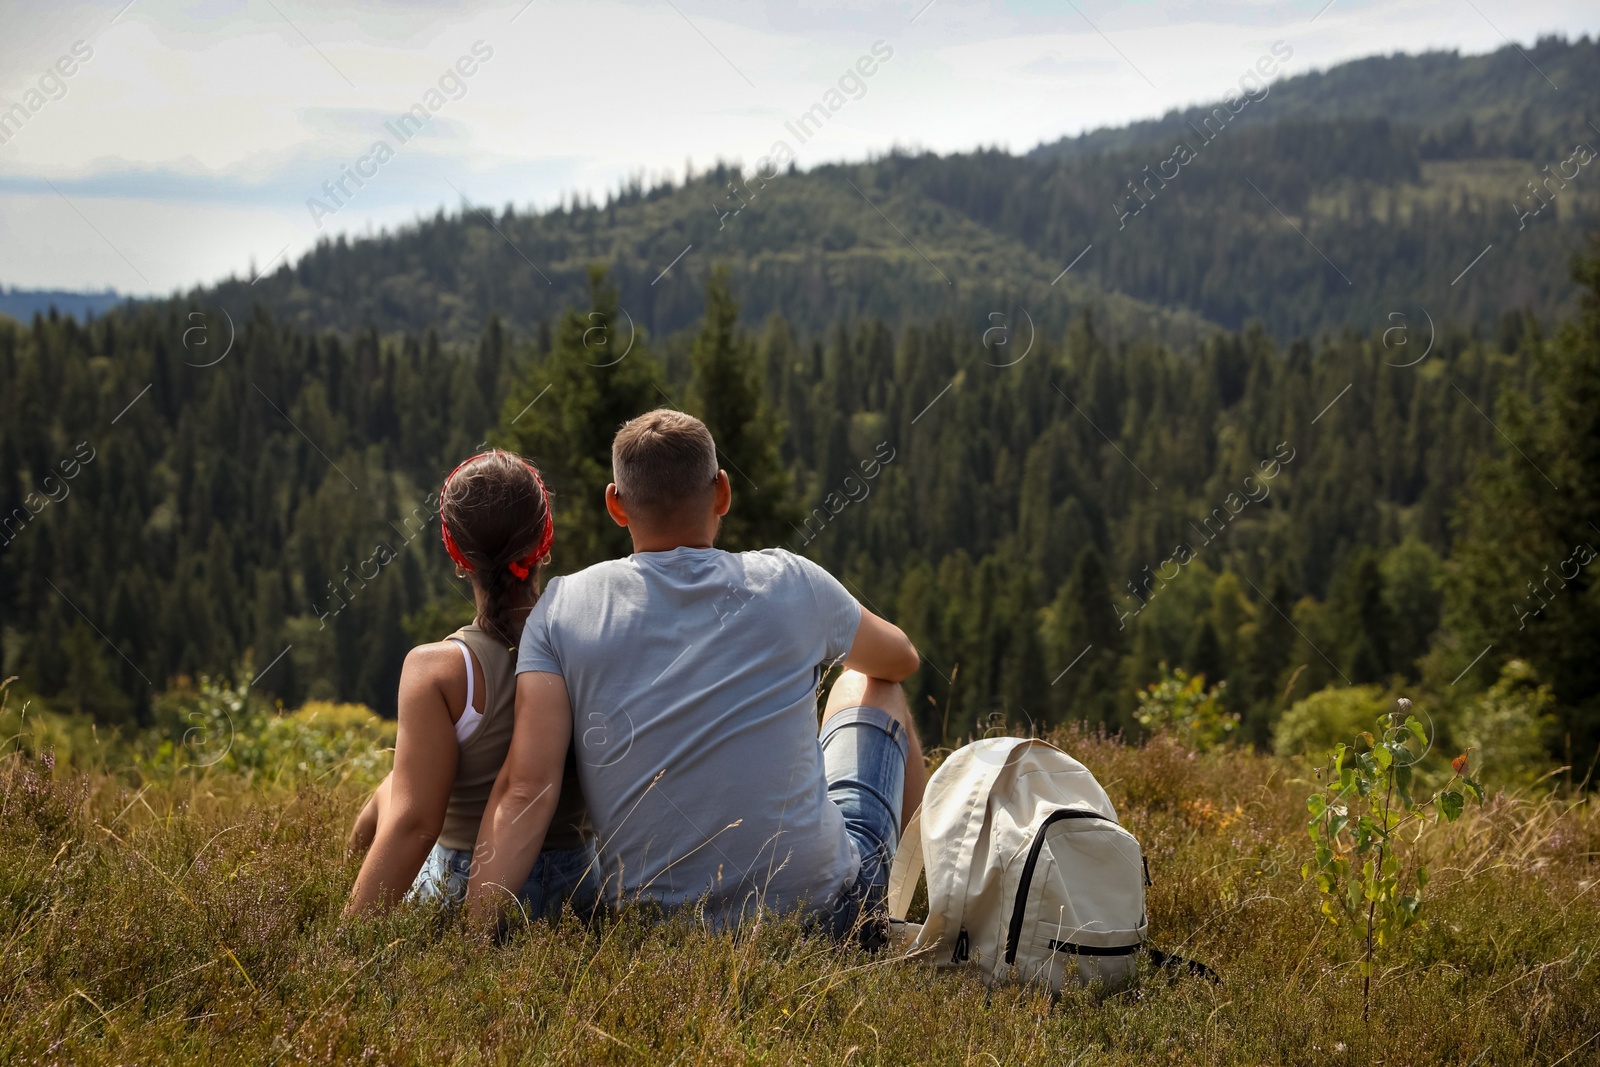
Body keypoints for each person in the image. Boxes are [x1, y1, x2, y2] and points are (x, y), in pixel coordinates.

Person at [465, 410, 925, 940]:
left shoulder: (563, 606)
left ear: (616, 504)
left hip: (659, 938)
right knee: (867, 683)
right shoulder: (792, 579)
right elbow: (902, 658)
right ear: (722, 492)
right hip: (827, 919)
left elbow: (526, 789)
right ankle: (902, 901)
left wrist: (472, 939)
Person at [345, 450, 596, 917]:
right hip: (578, 886)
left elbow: (417, 824)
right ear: (545, 541)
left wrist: (342, 945)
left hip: (469, 884)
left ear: (457, 556)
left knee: (397, 789)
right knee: (391, 784)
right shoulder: (588, 642)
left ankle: (346, 874)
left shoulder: (436, 669)